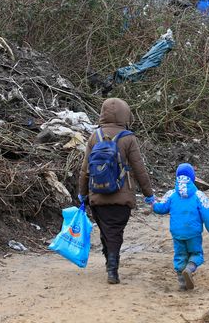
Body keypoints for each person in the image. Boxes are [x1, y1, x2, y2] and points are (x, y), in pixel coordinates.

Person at [78, 98, 155, 284]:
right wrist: (149, 194)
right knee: (115, 232)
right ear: (125, 114)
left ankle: (109, 262)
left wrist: (82, 194)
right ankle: (112, 268)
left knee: (106, 231)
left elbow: (85, 168)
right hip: (122, 195)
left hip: (97, 194)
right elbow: (139, 169)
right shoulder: (128, 138)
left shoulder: (94, 136)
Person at [152, 163, 209, 290]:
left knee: (180, 255)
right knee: (196, 253)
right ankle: (189, 268)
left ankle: (182, 283)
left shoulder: (171, 194)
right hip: (193, 232)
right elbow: (207, 214)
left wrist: (153, 203)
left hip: (177, 233)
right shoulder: (199, 195)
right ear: (193, 178)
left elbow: (161, 208)